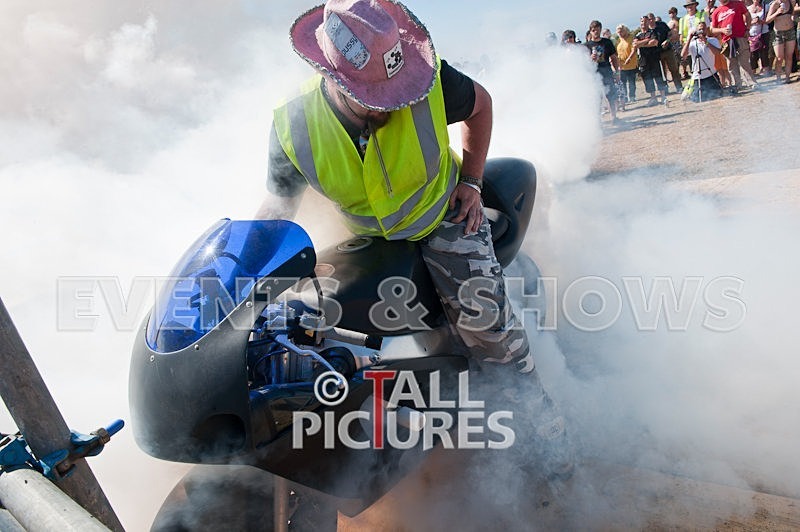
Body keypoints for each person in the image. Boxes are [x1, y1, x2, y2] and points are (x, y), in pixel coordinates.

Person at [259, 0, 572, 479]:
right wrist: (249, 269)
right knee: (322, 333)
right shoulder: (292, 125)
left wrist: (471, 181)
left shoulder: (425, 79)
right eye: (373, 95)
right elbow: (277, 208)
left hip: (443, 217)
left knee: (488, 332)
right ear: (333, 79)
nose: (391, 102)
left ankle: (547, 441)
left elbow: (481, 105)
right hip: (371, 238)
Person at [710, 0, 760, 92]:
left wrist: (747, 29)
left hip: (740, 37)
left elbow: (748, 15)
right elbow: (712, 29)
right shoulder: (716, 12)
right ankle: (737, 85)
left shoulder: (737, 4)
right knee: (731, 64)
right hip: (727, 40)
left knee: (744, 62)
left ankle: (751, 83)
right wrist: (722, 30)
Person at [585, 20, 621, 123]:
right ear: (590, 31)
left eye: (597, 29)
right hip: (594, 75)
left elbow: (614, 58)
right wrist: (590, 58)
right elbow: (583, 63)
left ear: (600, 30)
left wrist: (617, 72)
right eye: (593, 30)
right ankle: (598, 121)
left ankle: (614, 117)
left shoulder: (607, 42)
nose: (596, 32)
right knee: (596, 98)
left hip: (607, 72)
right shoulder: (586, 46)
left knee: (611, 96)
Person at [681, 21, 724, 99]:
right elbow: (683, 55)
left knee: (717, 95)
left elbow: (717, 53)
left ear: (706, 30)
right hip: (698, 77)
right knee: (698, 99)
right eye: (699, 29)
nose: (701, 31)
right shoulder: (693, 44)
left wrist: (705, 41)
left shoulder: (712, 40)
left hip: (711, 74)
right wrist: (689, 38)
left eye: (703, 29)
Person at [634, 15, 669, 105]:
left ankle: (663, 96)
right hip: (643, 60)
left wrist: (642, 44)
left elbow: (654, 43)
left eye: (645, 21)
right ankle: (653, 98)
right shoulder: (638, 35)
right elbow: (635, 45)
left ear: (648, 22)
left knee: (658, 77)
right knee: (647, 79)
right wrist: (647, 40)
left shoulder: (652, 32)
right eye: (642, 21)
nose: (643, 23)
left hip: (654, 58)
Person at [649, 12, 683, 91]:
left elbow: (670, 34)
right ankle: (665, 90)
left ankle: (679, 87)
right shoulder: (648, 30)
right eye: (650, 19)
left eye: (652, 18)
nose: (651, 20)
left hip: (668, 50)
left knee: (674, 69)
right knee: (661, 72)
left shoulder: (662, 25)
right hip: (656, 53)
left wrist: (667, 41)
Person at [765, 0, 796, 82]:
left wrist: (793, 18)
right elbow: (767, 20)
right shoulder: (775, 4)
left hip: (790, 31)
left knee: (789, 56)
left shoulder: (791, 2)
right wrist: (777, 12)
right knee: (779, 57)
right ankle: (778, 78)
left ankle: (787, 77)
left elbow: (792, 14)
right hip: (778, 33)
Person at [680, 1, 711, 80]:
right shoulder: (682, 20)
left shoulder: (702, 15)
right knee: (694, 68)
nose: (690, 7)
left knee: (707, 65)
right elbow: (682, 36)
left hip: (702, 43)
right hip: (690, 45)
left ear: (695, 5)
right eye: (688, 5)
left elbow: (708, 30)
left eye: (691, 5)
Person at [616, 24, 639, 103]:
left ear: (625, 31)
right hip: (621, 66)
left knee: (631, 82)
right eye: (618, 32)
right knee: (623, 83)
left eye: (621, 31)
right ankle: (625, 97)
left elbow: (634, 49)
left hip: (631, 64)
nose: (620, 33)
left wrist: (629, 58)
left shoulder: (631, 38)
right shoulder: (618, 40)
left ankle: (632, 96)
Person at [748, 0, 772, 76]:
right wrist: (753, 22)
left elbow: (769, 20)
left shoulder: (766, 7)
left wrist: (761, 22)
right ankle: (753, 73)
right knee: (752, 54)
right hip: (752, 34)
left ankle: (766, 72)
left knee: (764, 53)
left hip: (763, 32)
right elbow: (745, 22)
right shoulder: (748, 9)